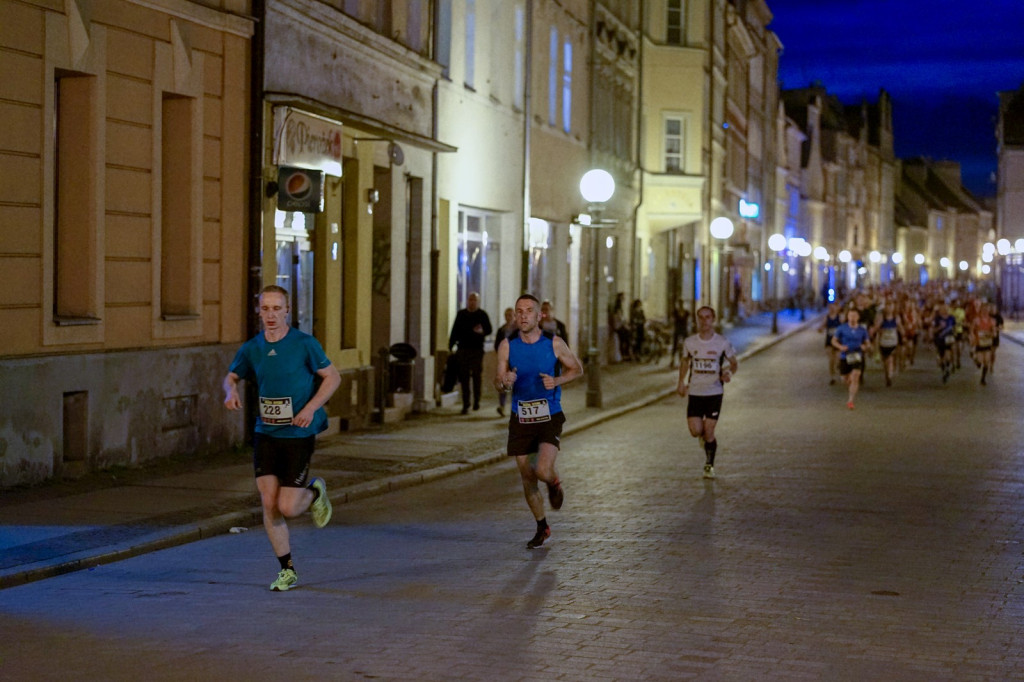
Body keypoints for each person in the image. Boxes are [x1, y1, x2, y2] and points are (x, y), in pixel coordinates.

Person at [223, 285, 341, 592]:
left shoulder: (304, 344)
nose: (271, 315)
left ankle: (315, 492)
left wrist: (310, 408)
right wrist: (230, 390)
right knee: (268, 502)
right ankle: (286, 569)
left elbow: (333, 376)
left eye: (277, 309)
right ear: (259, 312)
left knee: (288, 507)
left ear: (287, 311)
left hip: (298, 434)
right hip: (266, 433)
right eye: (266, 309)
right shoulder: (252, 348)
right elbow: (232, 374)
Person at [494, 294, 584, 549]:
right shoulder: (507, 346)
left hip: (549, 415)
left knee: (542, 469)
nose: (523, 316)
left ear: (539, 316)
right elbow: (497, 380)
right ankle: (542, 526)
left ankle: (554, 483)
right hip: (520, 417)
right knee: (527, 476)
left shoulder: (554, 343)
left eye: (528, 311)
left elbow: (577, 369)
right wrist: (505, 381)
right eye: (519, 311)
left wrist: (556, 381)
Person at [676, 306, 738, 480]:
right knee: (696, 431)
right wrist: (681, 382)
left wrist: (728, 373)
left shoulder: (722, 342)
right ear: (697, 320)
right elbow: (685, 362)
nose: (704, 321)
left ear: (714, 319)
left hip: (714, 392)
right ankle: (703, 439)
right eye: (701, 318)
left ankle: (709, 465)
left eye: (708, 317)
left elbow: (734, 363)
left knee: (709, 431)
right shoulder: (690, 343)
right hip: (695, 392)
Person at [448, 292, 493, 414]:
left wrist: (482, 331)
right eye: (470, 299)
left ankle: (476, 400)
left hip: (476, 350)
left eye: (475, 300)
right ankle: (466, 403)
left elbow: (489, 329)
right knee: (464, 377)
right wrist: (451, 345)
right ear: (468, 301)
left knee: (476, 375)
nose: (472, 302)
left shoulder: (482, 315)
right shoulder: (461, 314)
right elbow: (455, 330)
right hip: (463, 349)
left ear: (478, 302)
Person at [831, 306, 870, 409]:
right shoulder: (842, 328)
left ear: (858, 317)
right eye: (850, 316)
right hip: (845, 356)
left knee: (855, 376)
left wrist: (864, 346)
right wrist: (840, 347)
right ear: (847, 317)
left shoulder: (862, 330)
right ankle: (850, 384)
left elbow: (867, 343)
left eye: (854, 316)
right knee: (844, 379)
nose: (852, 318)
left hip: (857, 355)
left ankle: (850, 400)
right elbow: (833, 341)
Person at [872, 304, 904, 387]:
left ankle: (890, 375)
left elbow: (901, 328)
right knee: (885, 361)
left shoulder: (896, 318)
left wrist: (903, 334)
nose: (889, 308)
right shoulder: (881, 318)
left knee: (890, 359)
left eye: (891, 306)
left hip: (893, 343)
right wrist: (878, 330)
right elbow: (876, 329)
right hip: (883, 343)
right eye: (887, 306)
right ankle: (887, 375)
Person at [494, 307, 516, 416]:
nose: (508, 317)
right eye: (507, 315)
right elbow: (496, 345)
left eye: (511, 315)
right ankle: (502, 406)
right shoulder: (501, 330)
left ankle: (515, 408)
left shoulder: (519, 330)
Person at [970, 303, 997, 385]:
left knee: (987, 361)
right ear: (981, 310)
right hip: (979, 342)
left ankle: (983, 379)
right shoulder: (976, 320)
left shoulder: (992, 321)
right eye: (983, 310)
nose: (985, 311)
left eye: (987, 310)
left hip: (988, 342)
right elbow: (971, 330)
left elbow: (994, 331)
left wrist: (992, 334)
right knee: (980, 360)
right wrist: (973, 337)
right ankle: (976, 360)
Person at [818, 301, 843, 385]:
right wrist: (820, 328)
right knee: (831, 359)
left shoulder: (840, 317)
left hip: (838, 341)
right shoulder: (827, 317)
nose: (832, 308)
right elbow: (822, 326)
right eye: (830, 307)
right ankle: (832, 376)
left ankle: (838, 368)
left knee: (838, 358)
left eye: (834, 307)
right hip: (829, 341)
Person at [669, 299, 690, 369]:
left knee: (684, 346)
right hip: (678, 330)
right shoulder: (675, 312)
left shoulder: (686, 312)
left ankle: (682, 361)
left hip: (683, 330)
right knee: (675, 345)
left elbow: (689, 321)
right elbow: (672, 320)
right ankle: (673, 360)